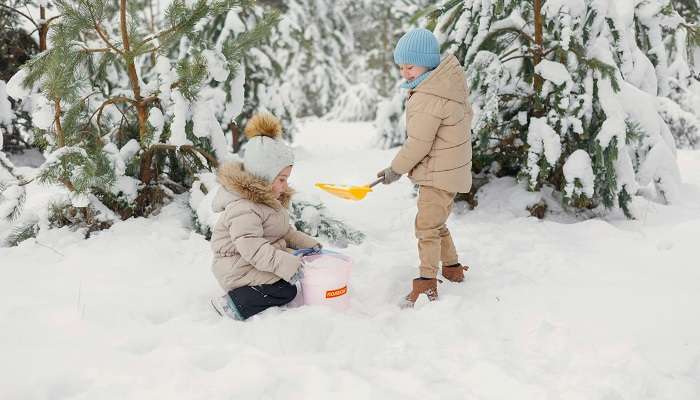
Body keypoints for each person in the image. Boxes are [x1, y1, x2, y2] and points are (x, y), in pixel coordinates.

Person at [376, 28, 473, 307]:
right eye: (402, 67)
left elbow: (418, 144)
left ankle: (426, 282)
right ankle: (452, 268)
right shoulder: (446, 86)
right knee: (436, 222)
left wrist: (395, 169)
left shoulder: (428, 96)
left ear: (428, 63)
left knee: (426, 228)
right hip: (449, 170)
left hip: (438, 174)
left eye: (410, 66)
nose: (405, 73)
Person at [209, 113, 321, 320]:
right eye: (281, 179)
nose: (285, 186)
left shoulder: (268, 200)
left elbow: (284, 232)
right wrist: (284, 264)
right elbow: (251, 247)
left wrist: (308, 245)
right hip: (236, 266)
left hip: (252, 260)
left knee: (295, 272)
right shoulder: (243, 207)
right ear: (264, 175)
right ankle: (232, 304)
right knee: (285, 290)